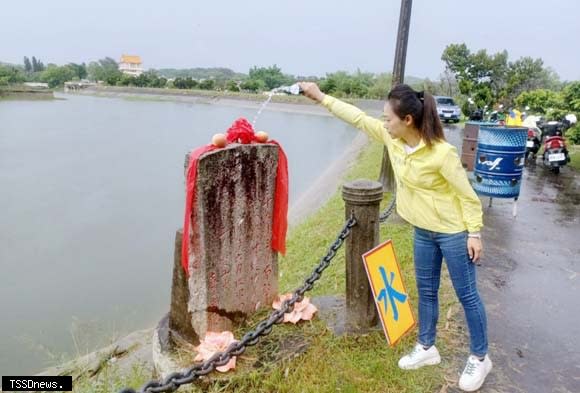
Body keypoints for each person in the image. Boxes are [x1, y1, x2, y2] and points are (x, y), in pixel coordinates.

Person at [299, 82, 490, 392]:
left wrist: (474, 233)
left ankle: (480, 357)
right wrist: (321, 97)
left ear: (408, 120)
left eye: (388, 118)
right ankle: (427, 347)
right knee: (426, 290)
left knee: (467, 295)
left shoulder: (442, 154)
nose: (384, 122)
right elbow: (358, 118)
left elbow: (467, 196)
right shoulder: (393, 140)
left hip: (453, 232)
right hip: (423, 231)